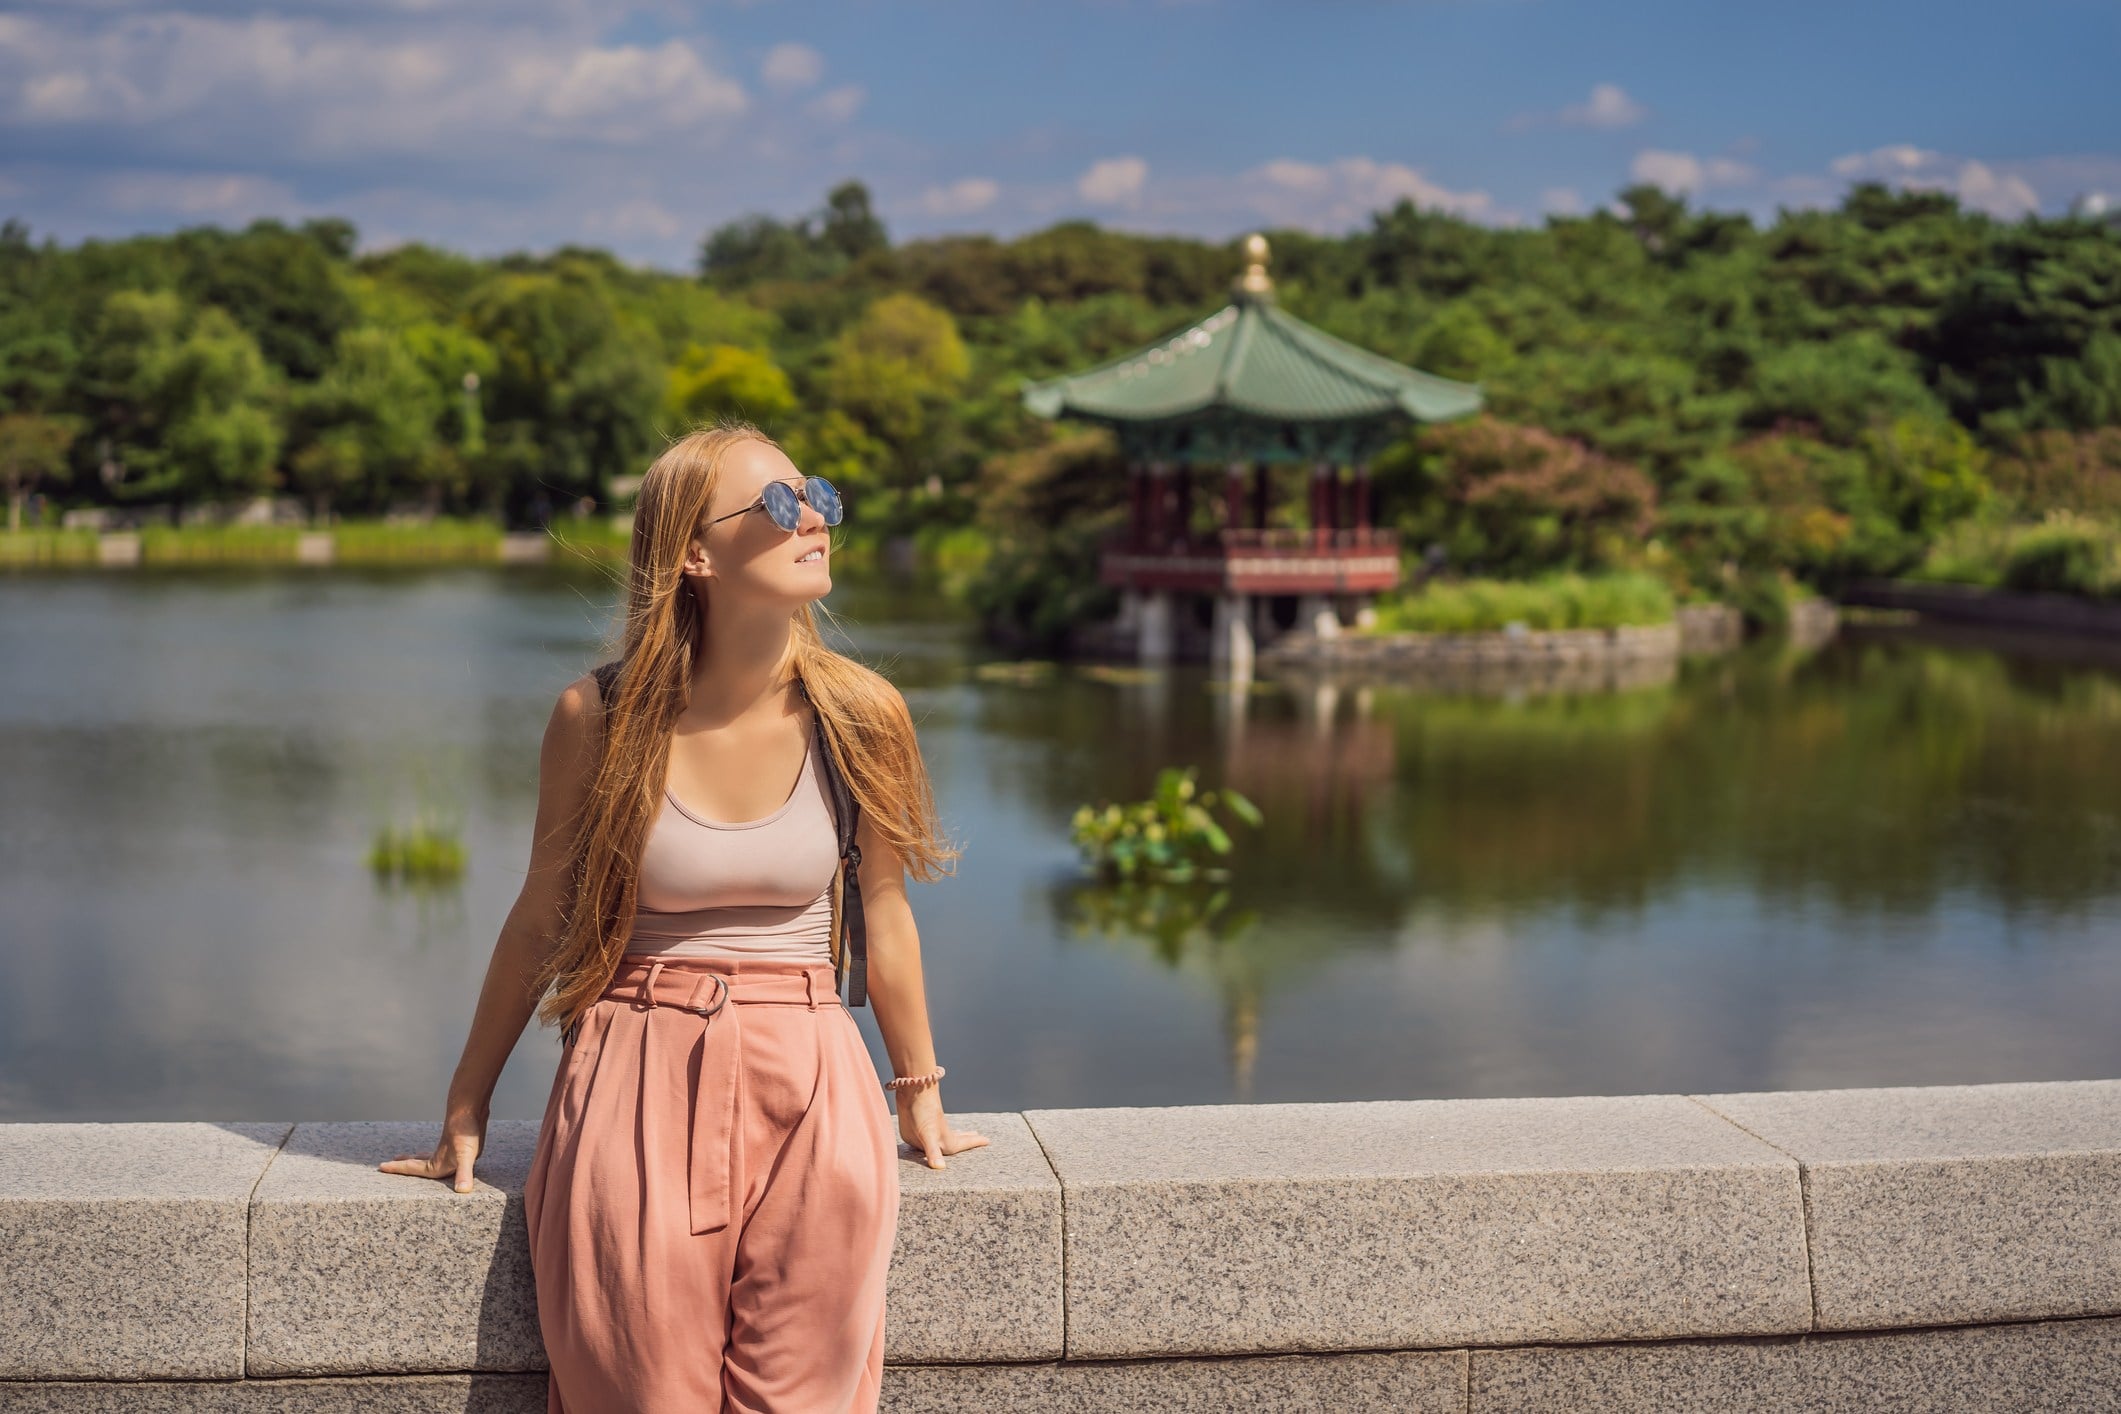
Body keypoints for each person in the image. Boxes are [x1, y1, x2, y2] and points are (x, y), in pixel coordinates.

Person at [380, 419, 989, 1412]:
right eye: (780, 504)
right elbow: (541, 916)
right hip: (634, 1080)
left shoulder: (862, 712)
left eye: (819, 495)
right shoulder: (601, 718)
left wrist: (917, 1086)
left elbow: (884, 907)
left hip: (817, 1092)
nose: (815, 520)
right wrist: (465, 1104)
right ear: (694, 554)